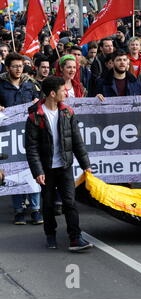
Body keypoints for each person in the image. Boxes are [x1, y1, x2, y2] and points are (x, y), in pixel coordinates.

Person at [25, 76, 93, 251]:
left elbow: (77, 141)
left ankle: (75, 238)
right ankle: (50, 234)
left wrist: (86, 164)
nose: (66, 93)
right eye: (63, 90)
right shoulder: (35, 117)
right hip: (46, 169)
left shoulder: (67, 113)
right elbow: (31, 148)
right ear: (53, 93)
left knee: (70, 202)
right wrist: (38, 171)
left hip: (65, 166)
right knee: (47, 205)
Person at [0, 53, 42, 225]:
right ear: (8, 67)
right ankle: (18, 210)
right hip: (9, 134)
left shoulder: (30, 85)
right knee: (14, 170)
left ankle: (35, 209)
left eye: (21, 66)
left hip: (29, 133)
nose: (18, 69)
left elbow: (40, 102)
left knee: (33, 168)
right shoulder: (1, 86)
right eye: (15, 66)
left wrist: (37, 101)